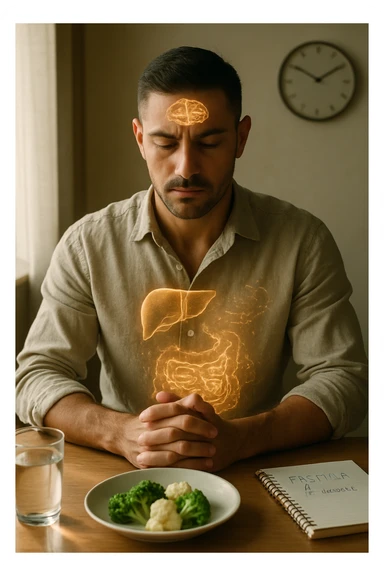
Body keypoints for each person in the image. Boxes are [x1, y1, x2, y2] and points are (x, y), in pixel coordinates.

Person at [16, 46, 368, 472]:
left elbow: (344, 379)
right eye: (165, 142)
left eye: (210, 141)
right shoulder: (88, 244)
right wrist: (122, 432)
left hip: (255, 469)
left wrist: (244, 438)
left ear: (241, 138)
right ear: (140, 139)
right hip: (121, 471)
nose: (186, 167)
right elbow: (37, 375)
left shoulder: (302, 241)